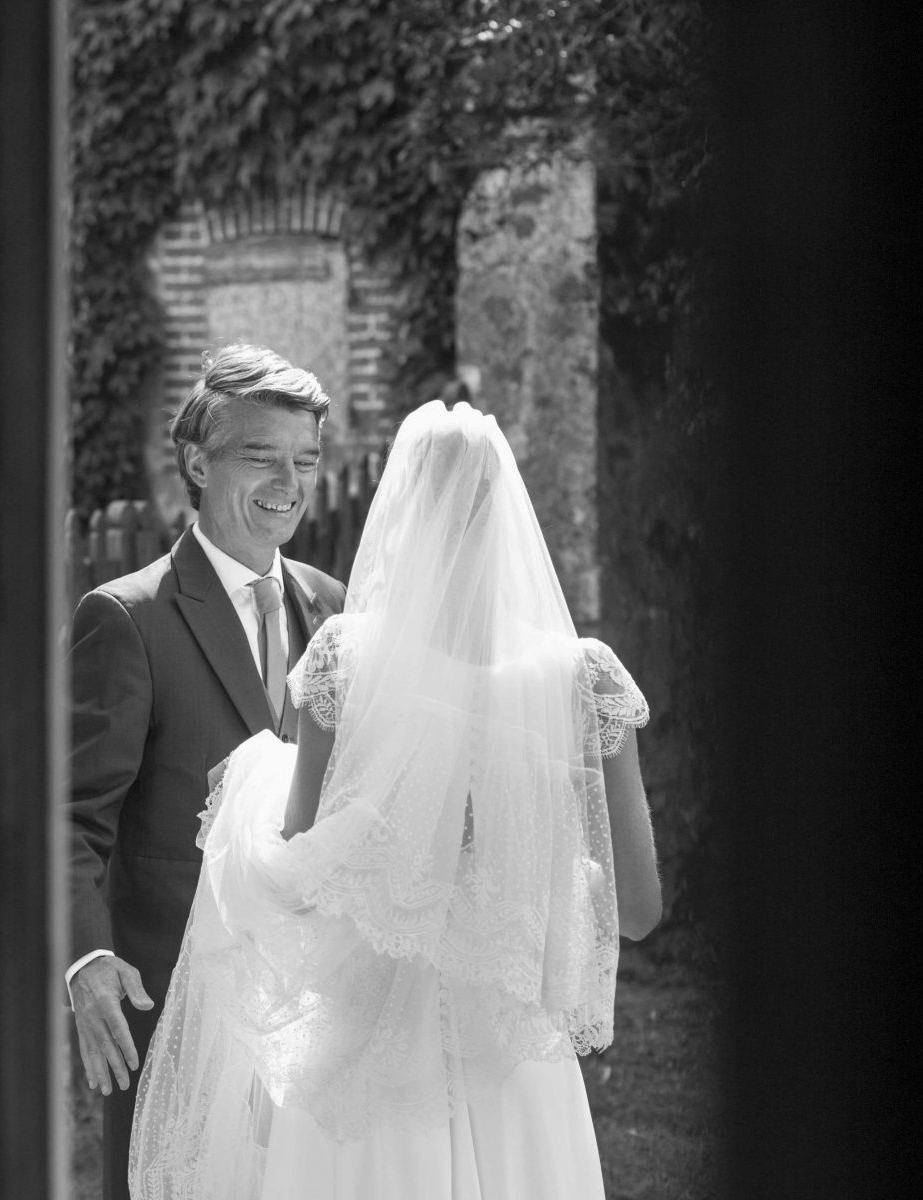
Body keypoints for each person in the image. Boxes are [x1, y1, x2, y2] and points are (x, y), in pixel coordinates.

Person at [129, 399, 662, 1200]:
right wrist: (539, 870)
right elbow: (640, 912)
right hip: (514, 1067)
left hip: (365, 1058)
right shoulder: (585, 678)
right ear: (507, 513)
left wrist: (251, 784)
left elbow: (302, 874)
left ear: (403, 509)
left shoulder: (345, 660)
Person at [68, 345, 350, 1199]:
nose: (289, 484)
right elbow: (69, 819)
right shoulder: (127, 617)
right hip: (175, 1006)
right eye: (262, 456)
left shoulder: (335, 609)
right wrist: (87, 960)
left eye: (305, 460)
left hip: (314, 1009)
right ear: (198, 462)